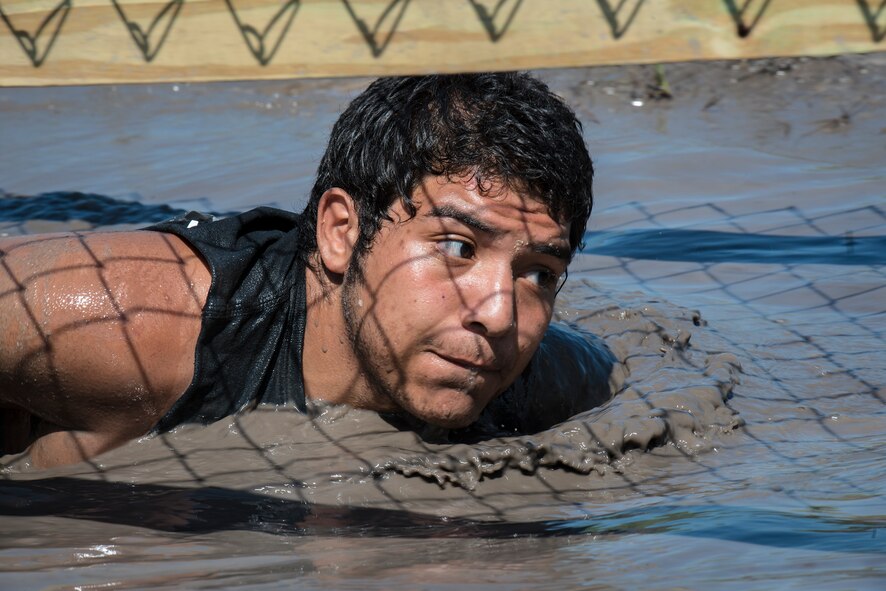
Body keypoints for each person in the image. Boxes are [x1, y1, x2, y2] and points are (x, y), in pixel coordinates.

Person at [0, 72, 598, 468]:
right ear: (342, 232)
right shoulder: (133, 322)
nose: (499, 314)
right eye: (457, 248)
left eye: (539, 273)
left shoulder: (550, 380)